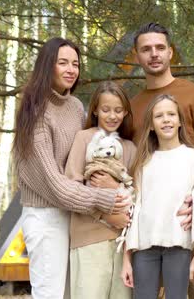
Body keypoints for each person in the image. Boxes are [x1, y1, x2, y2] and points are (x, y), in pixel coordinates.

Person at [13, 38, 130, 299]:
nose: (71, 69)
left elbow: (87, 157)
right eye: (62, 62)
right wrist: (107, 199)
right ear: (47, 66)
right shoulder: (34, 111)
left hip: (76, 215)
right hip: (47, 217)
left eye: (75, 64)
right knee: (51, 294)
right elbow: (55, 185)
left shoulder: (76, 107)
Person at [130, 22, 194, 299]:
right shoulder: (133, 106)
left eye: (160, 48)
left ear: (171, 53)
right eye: (146, 49)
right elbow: (135, 162)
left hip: (191, 222)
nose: (154, 54)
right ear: (137, 56)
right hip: (151, 229)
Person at [121, 94, 194, 298]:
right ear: (151, 125)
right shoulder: (143, 163)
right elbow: (134, 211)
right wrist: (126, 258)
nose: (166, 119)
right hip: (144, 249)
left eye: (171, 114)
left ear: (180, 121)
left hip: (178, 245)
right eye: (159, 116)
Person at [64, 81, 136, 299]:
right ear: (95, 109)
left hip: (121, 245)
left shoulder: (130, 147)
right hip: (89, 240)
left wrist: (115, 187)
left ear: (125, 112)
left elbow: (135, 193)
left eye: (118, 110)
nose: (112, 116)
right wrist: (106, 214)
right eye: (106, 110)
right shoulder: (83, 138)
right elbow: (71, 189)